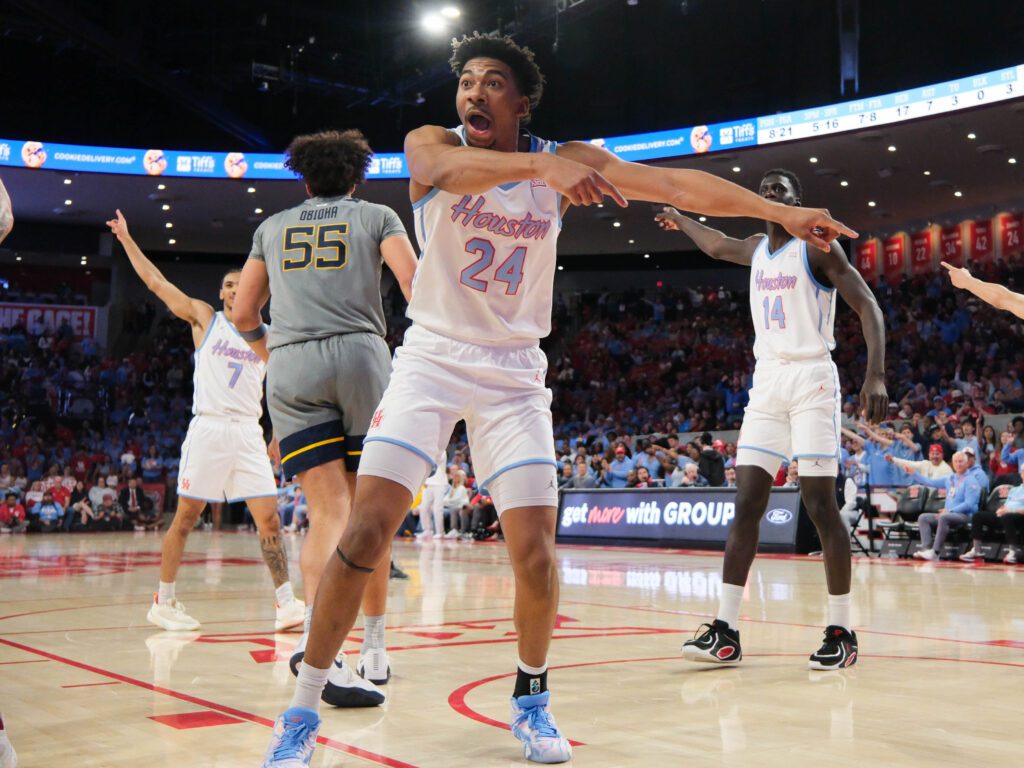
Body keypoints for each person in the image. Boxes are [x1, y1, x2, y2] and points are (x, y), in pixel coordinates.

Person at [261, 33, 856, 767]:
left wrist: (787, 218)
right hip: (432, 359)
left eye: (492, 83)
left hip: (513, 373)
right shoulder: (432, 142)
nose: (473, 93)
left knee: (538, 556)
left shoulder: (568, 155)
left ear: (523, 101)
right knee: (365, 533)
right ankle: (299, 714)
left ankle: (532, 701)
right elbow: (441, 169)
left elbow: (675, 187)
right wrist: (547, 167)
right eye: (466, 81)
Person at [659, 168, 886, 671]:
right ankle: (725, 629)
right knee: (746, 504)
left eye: (778, 191)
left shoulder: (816, 248)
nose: (768, 197)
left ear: (796, 201)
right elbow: (718, 245)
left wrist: (876, 375)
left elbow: (868, 305)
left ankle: (842, 630)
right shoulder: (756, 247)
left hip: (812, 379)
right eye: (762, 192)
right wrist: (681, 219)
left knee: (820, 504)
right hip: (767, 382)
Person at [233, 129, 417, 705]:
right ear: (356, 179)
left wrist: (276, 353)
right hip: (363, 357)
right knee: (372, 511)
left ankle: (322, 647)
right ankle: (376, 650)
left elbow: (243, 312)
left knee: (326, 510)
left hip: (291, 364)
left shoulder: (271, 227)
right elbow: (417, 288)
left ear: (304, 180)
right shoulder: (377, 216)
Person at [105, 211, 303, 633]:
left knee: (269, 519)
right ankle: (165, 599)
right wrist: (126, 239)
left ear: (258, 292)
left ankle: (285, 603)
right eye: (229, 284)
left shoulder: (270, 337)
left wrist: (277, 433)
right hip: (209, 427)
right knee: (186, 517)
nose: (235, 289)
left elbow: (282, 390)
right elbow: (157, 283)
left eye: (242, 284)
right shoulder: (204, 319)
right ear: (221, 292)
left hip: (249, 430)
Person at [903, 451, 981, 561]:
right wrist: (914, 474)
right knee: (924, 517)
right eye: (956, 462)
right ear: (952, 464)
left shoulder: (971, 480)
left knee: (944, 517)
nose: (958, 464)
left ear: (967, 463)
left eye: (961, 461)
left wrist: (950, 511)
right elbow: (929, 482)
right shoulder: (950, 479)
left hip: (964, 516)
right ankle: (926, 550)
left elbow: (969, 504)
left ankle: (935, 552)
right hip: (948, 514)